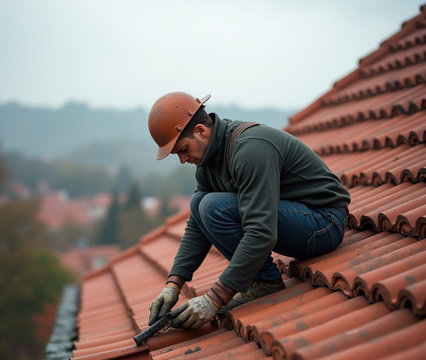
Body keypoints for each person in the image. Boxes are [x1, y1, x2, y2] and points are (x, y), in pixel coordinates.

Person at [147, 91, 350, 330]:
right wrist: (173, 283)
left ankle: (264, 282)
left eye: (183, 150)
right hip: (296, 219)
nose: (182, 159)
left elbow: (261, 231)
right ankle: (260, 278)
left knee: (213, 206)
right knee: (199, 203)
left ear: (201, 131)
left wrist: (215, 298)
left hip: (324, 223)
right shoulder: (208, 159)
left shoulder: (249, 149)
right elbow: (196, 226)